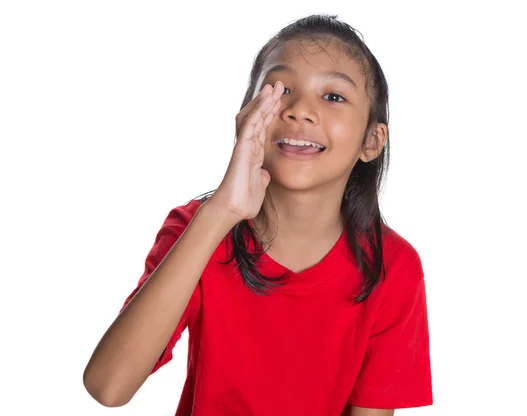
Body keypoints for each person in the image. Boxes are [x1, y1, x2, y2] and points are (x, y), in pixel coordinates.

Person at [83, 14, 433, 416]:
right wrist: (222, 212)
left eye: (333, 96)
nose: (300, 110)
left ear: (372, 141)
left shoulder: (393, 266)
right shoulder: (197, 228)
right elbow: (108, 386)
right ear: (246, 115)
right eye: (279, 89)